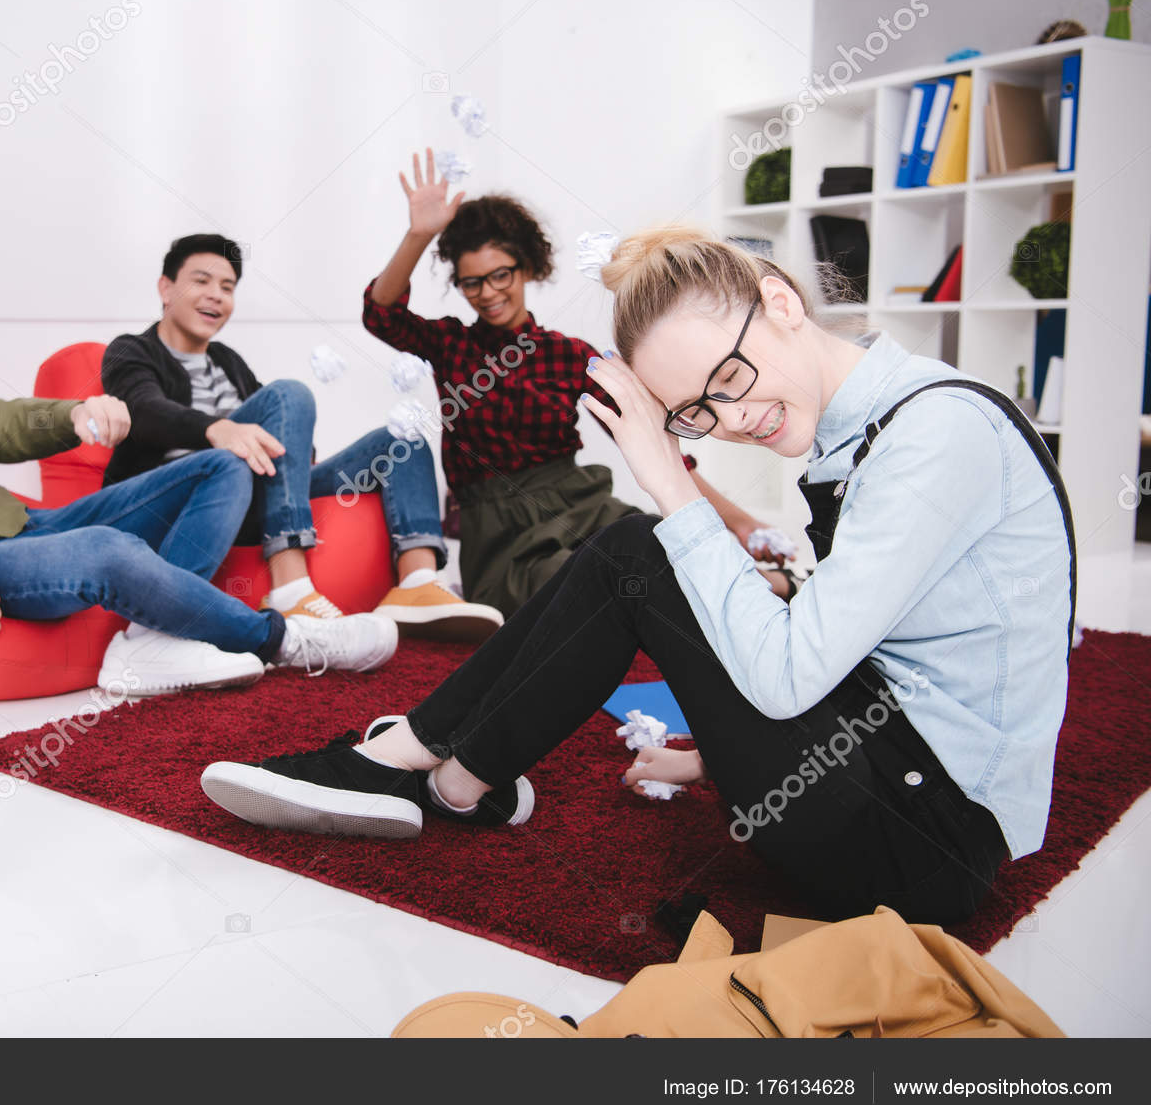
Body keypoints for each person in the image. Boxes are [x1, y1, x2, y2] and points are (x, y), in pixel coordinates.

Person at [201, 227, 1074, 925]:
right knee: (636, 555)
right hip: (894, 776)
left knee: (637, 551)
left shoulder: (932, 433)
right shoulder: (883, 419)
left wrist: (667, 475)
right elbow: (868, 642)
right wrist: (734, 745)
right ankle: (453, 774)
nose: (735, 417)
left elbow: (791, 673)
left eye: (729, 378)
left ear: (781, 301)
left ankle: (419, 761)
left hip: (923, 847)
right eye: (700, 410)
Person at [0, 261, 398, 695]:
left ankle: (151, 640)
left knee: (224, 462)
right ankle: (283, 639)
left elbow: (4, 422)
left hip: (28, 526)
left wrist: (76, 415)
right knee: (109, 550)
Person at [363, 148, 795, 616]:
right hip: (501, 532)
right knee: (576, 591)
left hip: (582, 504)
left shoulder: (571, 356)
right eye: (472, 283)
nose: (487, 292)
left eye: (500, 274)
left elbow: (658, 448)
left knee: (657, 552)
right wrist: (419, 234)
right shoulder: (451, 343)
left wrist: (743, 524)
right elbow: (381, 315)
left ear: (527, 266)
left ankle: (777, 587)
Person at [100, 232, 503, 644]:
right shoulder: (131, 351)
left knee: (400, 439)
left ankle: (417, 582)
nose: (216, 296)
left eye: (227, 287)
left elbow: (281, 427)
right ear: (166, 287)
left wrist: (296, 455)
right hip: (189, 498)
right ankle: (290, 588)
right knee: (289, 393)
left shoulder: (228, 362)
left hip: (260, 493)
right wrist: (216, 428)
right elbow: (142, 410)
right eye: (201, 281)